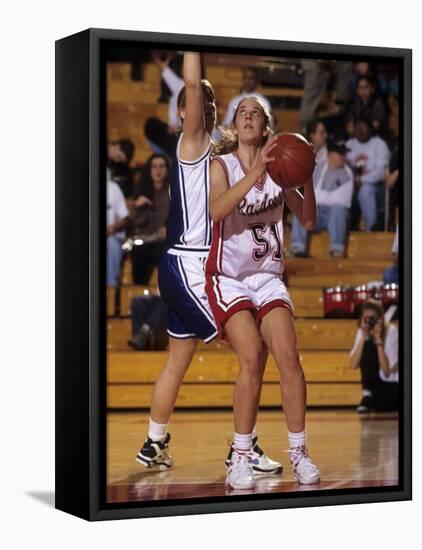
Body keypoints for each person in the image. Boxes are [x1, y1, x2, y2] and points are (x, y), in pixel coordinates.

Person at [135, 53, 281, 477]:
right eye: (202, 101)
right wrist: (192, 44)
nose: (210, 107)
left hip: (187, 266)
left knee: (177, 361)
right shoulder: (191, 140)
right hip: (191, 266)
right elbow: (195, 87)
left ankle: (153, 442)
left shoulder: (218, 150)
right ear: (184, 110)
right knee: (253, 351)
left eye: (216, 103)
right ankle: (243, 448)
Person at [206, 96, 320, 489]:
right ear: (235, 128)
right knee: (253, 355)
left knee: (289, 357)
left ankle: (300, 453)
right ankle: (240, 457)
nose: (249, 115)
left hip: (268, 276)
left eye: (256, 112)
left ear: (268, 128)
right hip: (229, 277)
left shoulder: (278, 169)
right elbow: (217, 211)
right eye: (243, 112)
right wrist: (253, 173)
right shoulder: (221, 165)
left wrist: (305, 173)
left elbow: (306, 220)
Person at [290, 138, 354, 258]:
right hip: (317, 214)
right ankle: (298, 248)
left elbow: (343, 201)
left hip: (334, 216)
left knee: (338, 209)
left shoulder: (348, 173)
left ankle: (337, 249)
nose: (343, 156)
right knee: (301, 207)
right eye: (340, 153)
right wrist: (326, 196)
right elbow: (310, 195)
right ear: (329, 154)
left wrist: (320, 196)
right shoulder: (317, 167)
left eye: (344, 153)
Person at [350, 299, 398, 413]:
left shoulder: (391, 330)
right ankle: (368, 395)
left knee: (371, 346)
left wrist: (378, 340)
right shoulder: (362, 331)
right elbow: (353, 364)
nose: (370, 323)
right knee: (366, 346)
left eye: (373, 319)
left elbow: (387, 370)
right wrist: (363, 336)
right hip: (373, 387)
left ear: (380, 319)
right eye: (367, 319)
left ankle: (370, 399)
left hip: (391, 385)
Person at [131, 153, 170, 285]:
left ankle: (164, 294)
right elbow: (136, 223)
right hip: (144, 241)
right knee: (139, 252)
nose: (158, 171)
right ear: (149, 170)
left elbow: (180, 217)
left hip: (164, 242)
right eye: (154, 167)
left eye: (161, 166)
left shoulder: (173, 192)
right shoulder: (141, 190)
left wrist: (168, 228)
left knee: (165, 252)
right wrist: (139, 207)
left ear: (167, 169)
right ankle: (139, 292)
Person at [346, 117, 390, 231]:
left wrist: (360, 181)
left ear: (371, 129)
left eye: (363, 127)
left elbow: (381, 173)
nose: (360, 130)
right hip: (353, 187)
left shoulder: (379, 144)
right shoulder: (349, 144)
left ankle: (371, 230)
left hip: (378, 188)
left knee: (365, 190)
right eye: (357, 128)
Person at [144, 52, 184, 157]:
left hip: (186, 137)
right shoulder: (181, 87)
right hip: (174, 134)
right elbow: (165, 71)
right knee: (151, 125)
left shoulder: (198, 95)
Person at [299, 59, 352, 131]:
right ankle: (306, 132)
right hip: (314, 61)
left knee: (346, 65)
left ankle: (339, 109)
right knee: (311, 100)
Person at [107, 168, 130, 287]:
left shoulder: (113, 188)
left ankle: (110, 288)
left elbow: (125, 218)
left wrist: (112, 228)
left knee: (111, 244)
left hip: (111, 235)